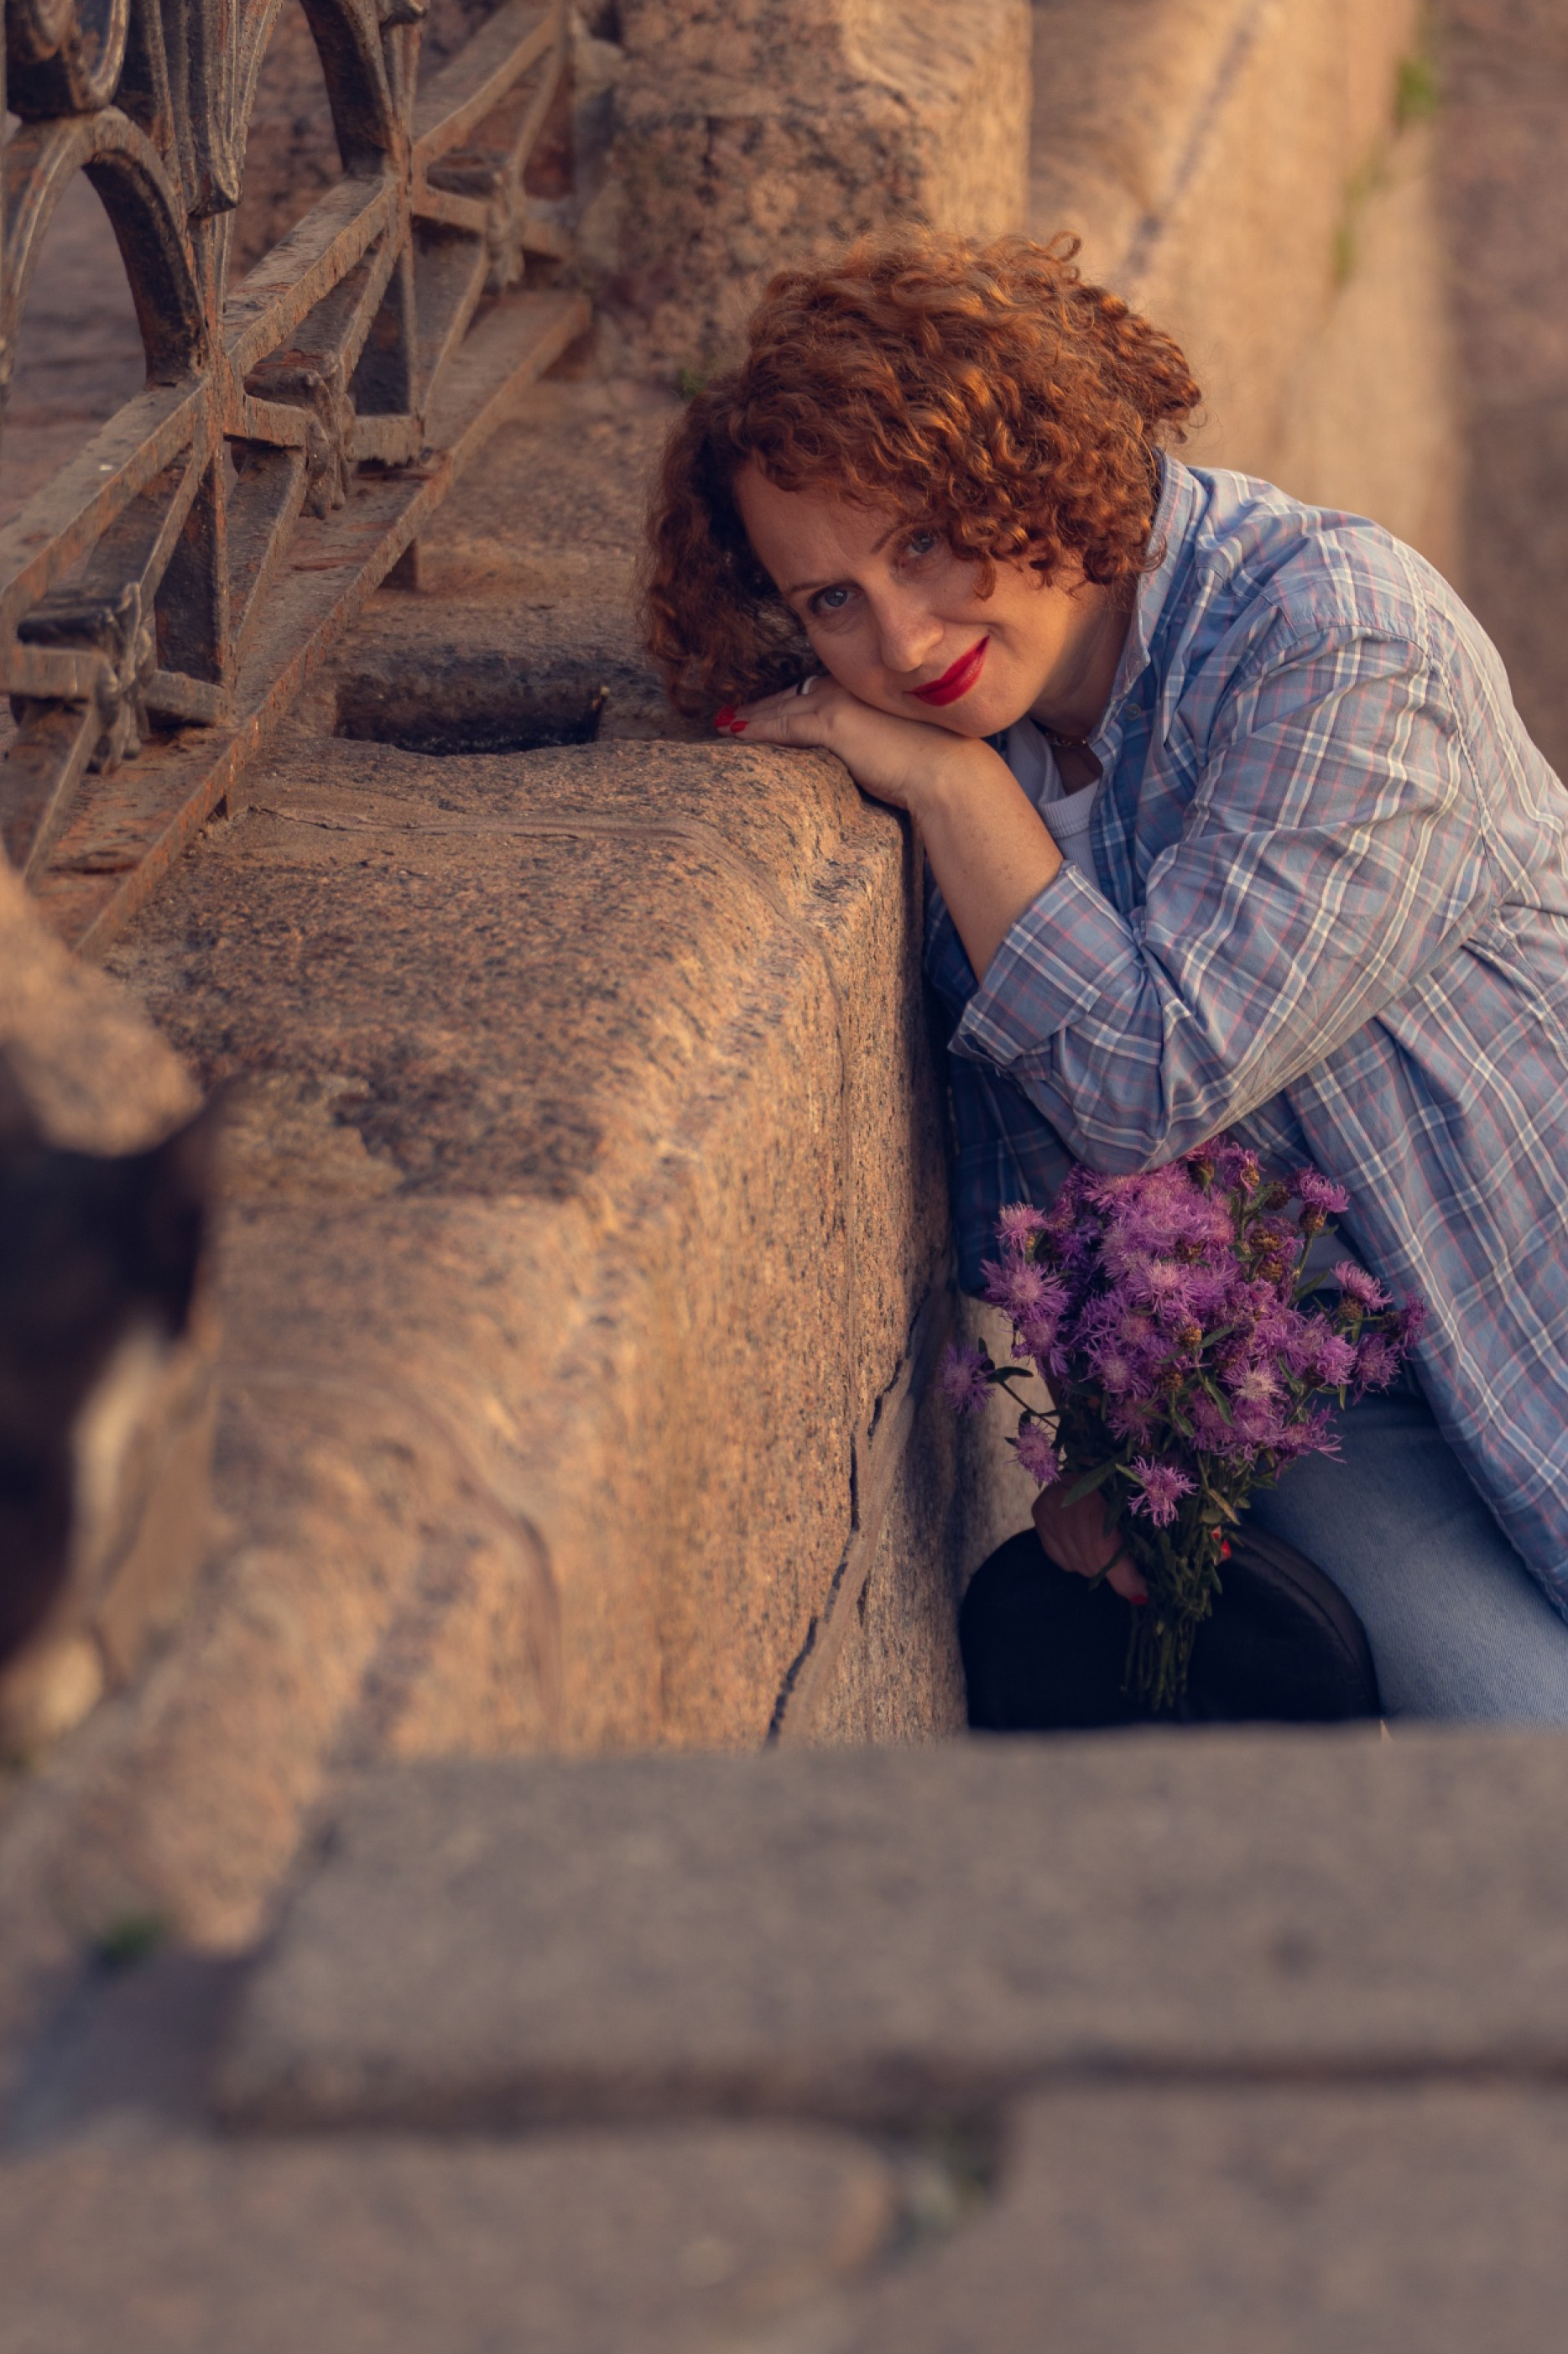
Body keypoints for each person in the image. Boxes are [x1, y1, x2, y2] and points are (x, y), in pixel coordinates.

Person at [643, 230, 1568, 1721]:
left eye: (925, 541)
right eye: (828, 600)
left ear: (1027, 462)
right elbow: (1045, 1163)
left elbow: (1147, 1080)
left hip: (1531, 1281)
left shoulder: (1332, 636)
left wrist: (956, 797)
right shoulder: (985, 734)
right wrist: (1109, 1426)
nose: (900, 636)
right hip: (1324, 1400)